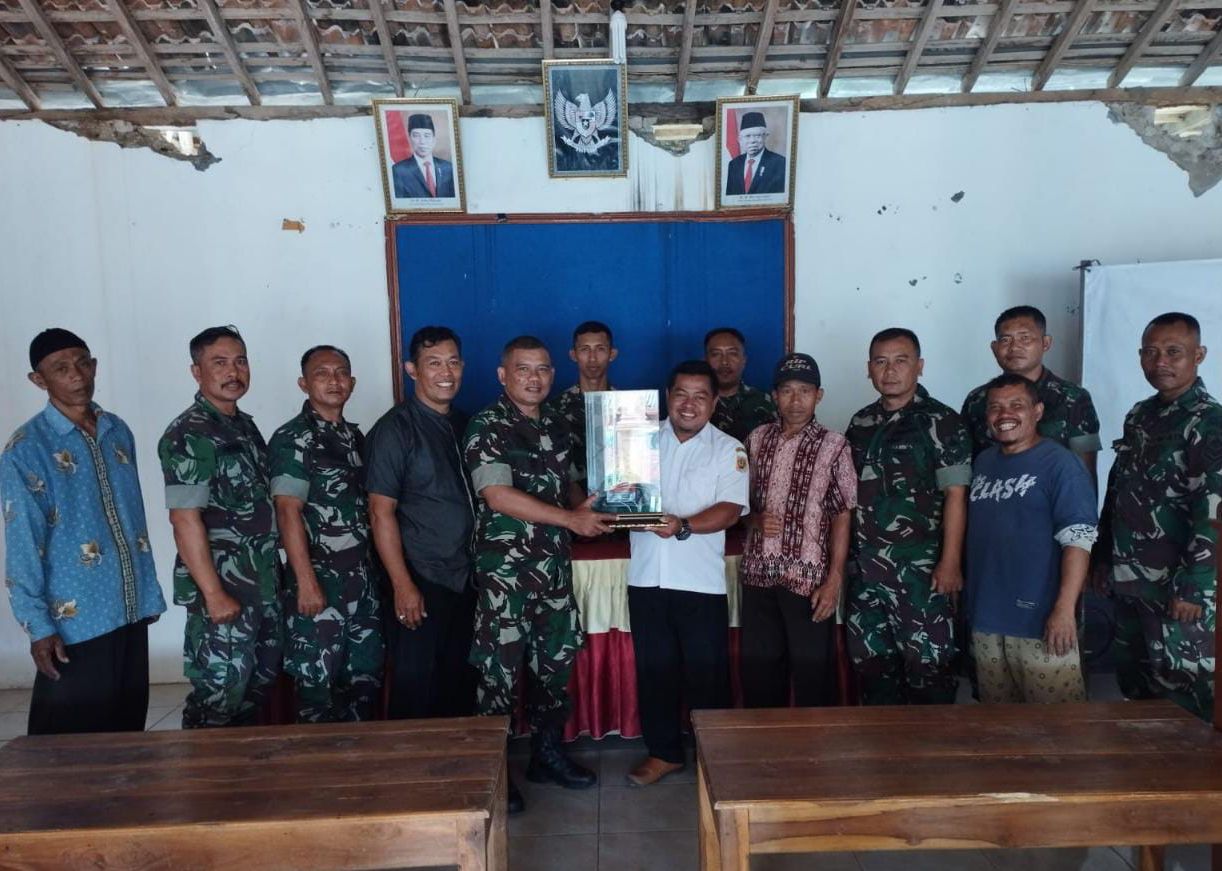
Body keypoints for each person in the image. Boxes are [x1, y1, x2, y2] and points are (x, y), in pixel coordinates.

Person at [464, 335, 613, 812]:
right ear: (502, 375)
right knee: (499, 676)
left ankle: (546, 757)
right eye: (523, 369)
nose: (535, 378)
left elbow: (569, 483)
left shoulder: (556, 423)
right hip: (507, 576)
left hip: (552, 570)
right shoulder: (487, 425)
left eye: (543, 369)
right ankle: (493, 775)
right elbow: (497, 496)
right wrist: (571, 520)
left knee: (554, 667)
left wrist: (587, 511)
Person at [1, 329, 166, 735]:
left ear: (94, 366)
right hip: (75, 621)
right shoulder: (26, 449)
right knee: (70, 745)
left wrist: (146, 592)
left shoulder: (116, 430)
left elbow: (132, 518)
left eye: (82, 362)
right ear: (38, 380)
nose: (76, 374)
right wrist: (38, 626)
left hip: (129, 609)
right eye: (60, 368)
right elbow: (23, 543)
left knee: (127, 731)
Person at [626, 360, 749, 786]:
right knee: (654, 670)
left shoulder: (729, 449)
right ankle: (663, 754)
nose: (689, 404)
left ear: (714, 402)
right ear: (668, 396)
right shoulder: (636, 441)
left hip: (699, 582)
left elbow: (730, 510)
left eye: (700, 396)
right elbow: (618, 495)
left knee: (706, 672)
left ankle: (716, 756)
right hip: (646, 578)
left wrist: (683, 526)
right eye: (681, 394)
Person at [1097, 312, 1222, 720]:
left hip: (1179, 590)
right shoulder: (1140, 415)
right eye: (1150, 352)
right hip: (1132, 581)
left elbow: (1213, 509)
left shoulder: (1210, 421)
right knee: (1137, 692)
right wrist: (1103, 556)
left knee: (1186, 699)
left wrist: (1194, 585)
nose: (1160, 362)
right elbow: (1118, 490)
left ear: (1199, 355)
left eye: (1173, 352)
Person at [158, 325, 282, 728]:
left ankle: (241, 771)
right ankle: (202, 769)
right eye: (220, 363)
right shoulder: (190, 433)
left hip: (261, 585)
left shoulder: (242, 426)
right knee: (219, 698)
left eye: (240, 361)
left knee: (255, 692)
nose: (233, 372)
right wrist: (213, 595)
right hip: (225, 592)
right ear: (197, 372)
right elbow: (184, 519)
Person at [845, 328, 971, 705]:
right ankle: (883, 744)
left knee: (929, 672)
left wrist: (951, 562)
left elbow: (956, 495)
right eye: (881, 362)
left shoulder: (942, 422)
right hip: (866, 574)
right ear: (869, 369)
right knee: (873, 671)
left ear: (920, 366)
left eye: (901, 361)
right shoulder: (861, 423)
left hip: (921, 573)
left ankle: (932, 746)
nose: (890, 371)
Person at [367, 326, 478, 720]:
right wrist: (403, 585)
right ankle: (409, 763)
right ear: (412, 369)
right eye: (434, 363)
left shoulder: (467, 424)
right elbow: (380, 512)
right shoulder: (395, 429)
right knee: (417, 687)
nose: (446, 372)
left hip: (467, 577)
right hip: (421, 578)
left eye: (453, 362)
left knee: (461, 683)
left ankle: (465, 761)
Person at [269, 345, 383, 723]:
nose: (334, 381)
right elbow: (287, 511)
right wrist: (305, 583)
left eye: (341, 373)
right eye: (322, 374)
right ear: (303, 384)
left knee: (363, 684)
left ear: (353, 382)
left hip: (362, 584)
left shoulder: (355, 438)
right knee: (317, 690)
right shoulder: (293, 439)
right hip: (319, 584)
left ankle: (357, 761)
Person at [967, 374, 1097, 704]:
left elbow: (1079, 540)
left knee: (1057, 726)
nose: (1005, 415)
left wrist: (1064, 610)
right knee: (998, 723)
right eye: (995, 407)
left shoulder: (1061, 465)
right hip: (987, 619)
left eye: (1016, 405)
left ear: (1037, 411)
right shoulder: (983, 462)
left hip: (1041, 622)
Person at [739, 353, 856, 708]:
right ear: (774, 396)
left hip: (809, 582)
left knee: (812, 677)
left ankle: (814, 744)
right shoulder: (755, 439)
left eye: (804, 391)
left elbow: (842, 513)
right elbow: (737, 502)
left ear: (818, 395)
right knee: (761, 675)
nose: (795, 400)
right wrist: (753, 520)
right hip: (758, 576)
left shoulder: (835, 445)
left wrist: (834, 580)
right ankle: (764, 741)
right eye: (787, 391)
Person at [961, 305, 1101, 472]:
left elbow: (1085, 471)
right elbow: (964, 462)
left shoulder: (1073, 398)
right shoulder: (977, 399)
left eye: (1025, 338)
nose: (1014, 347)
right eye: (1005, 340)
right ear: (994, 348)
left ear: (1045, 343)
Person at [545, 320, 618, 486]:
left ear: (612, 354)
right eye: (585, 349)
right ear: (573, 355)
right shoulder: (554, 409)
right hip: (567, 498)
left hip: (616, 495)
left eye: (600, 349)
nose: (592, 358)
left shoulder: (628, 407)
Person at [705, 327, 776, 444]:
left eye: (732, 354)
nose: (724, 362)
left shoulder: (765, 402)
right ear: (705, 360)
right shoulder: (694, 403)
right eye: (716, 354)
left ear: (744, 360)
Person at [391, 114, 456, 199]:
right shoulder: (399, 171)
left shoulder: (448, 168)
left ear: (434, 139)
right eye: (416, 136)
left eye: (427, 136)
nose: (422, 141)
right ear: (409, 138)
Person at [724, 111, 787, 196]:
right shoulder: (734, 164)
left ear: (765, 137)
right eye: (747, 136)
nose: (752, 141)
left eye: (757, 136)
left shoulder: (780, 163)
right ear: (740, 140)